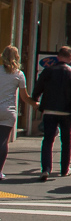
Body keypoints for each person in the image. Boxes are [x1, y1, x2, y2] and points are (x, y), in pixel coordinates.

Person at [31, 47, 71, 179]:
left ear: (58, 57)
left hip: (49, 109)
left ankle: (46, 169)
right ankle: (64, 169)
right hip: (67, 111)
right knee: (66, 141)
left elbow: (38, 88)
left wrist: (35, 100)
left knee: (48, 140)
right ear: (70, 58)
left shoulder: (48, 71)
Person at [0, 47, 26, 181]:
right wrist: (35, 104)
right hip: (8, 111)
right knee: (3, 141)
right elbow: (24, 96)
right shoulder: (19, 75)